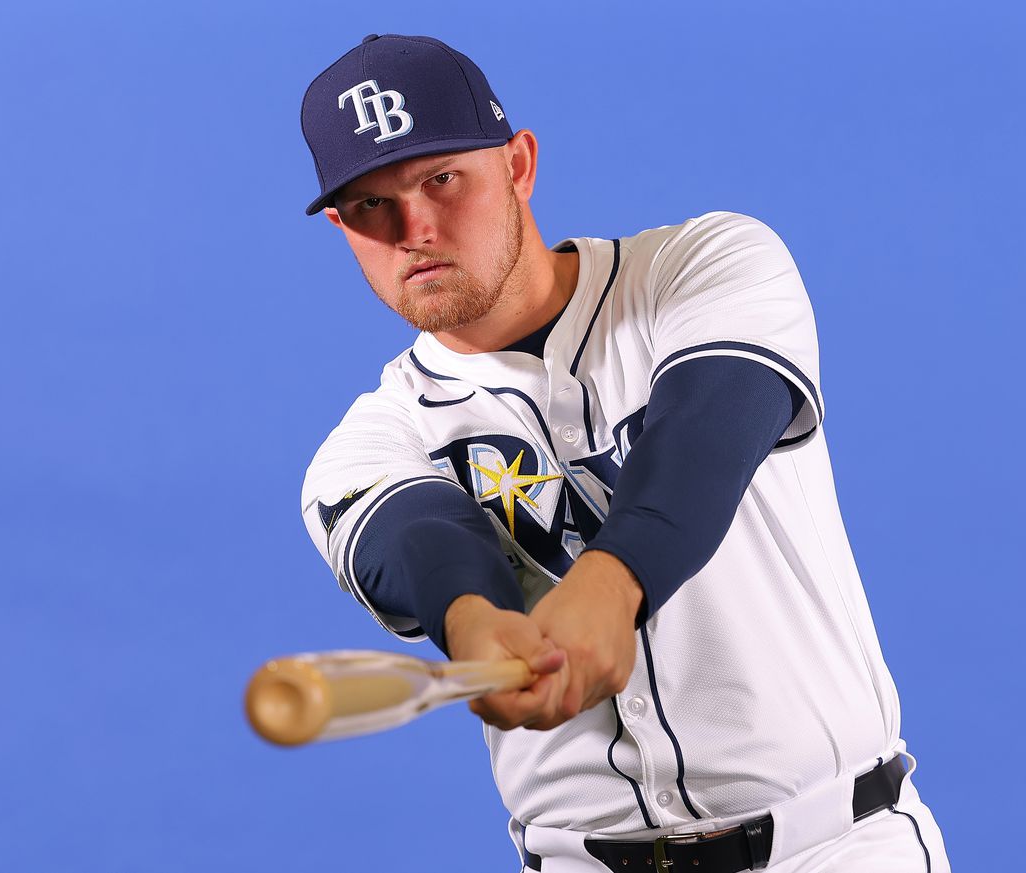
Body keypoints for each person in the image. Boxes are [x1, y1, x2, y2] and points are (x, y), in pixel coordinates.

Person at [298, 33, 951, 873]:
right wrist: (474, 621)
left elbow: (709, 431)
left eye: (440, 178)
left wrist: (613, 582)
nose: (414, 228)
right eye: (369, 206)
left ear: (519, 164)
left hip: (838, 845)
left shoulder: (705, 267)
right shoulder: (364, 444)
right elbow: (420, 534)